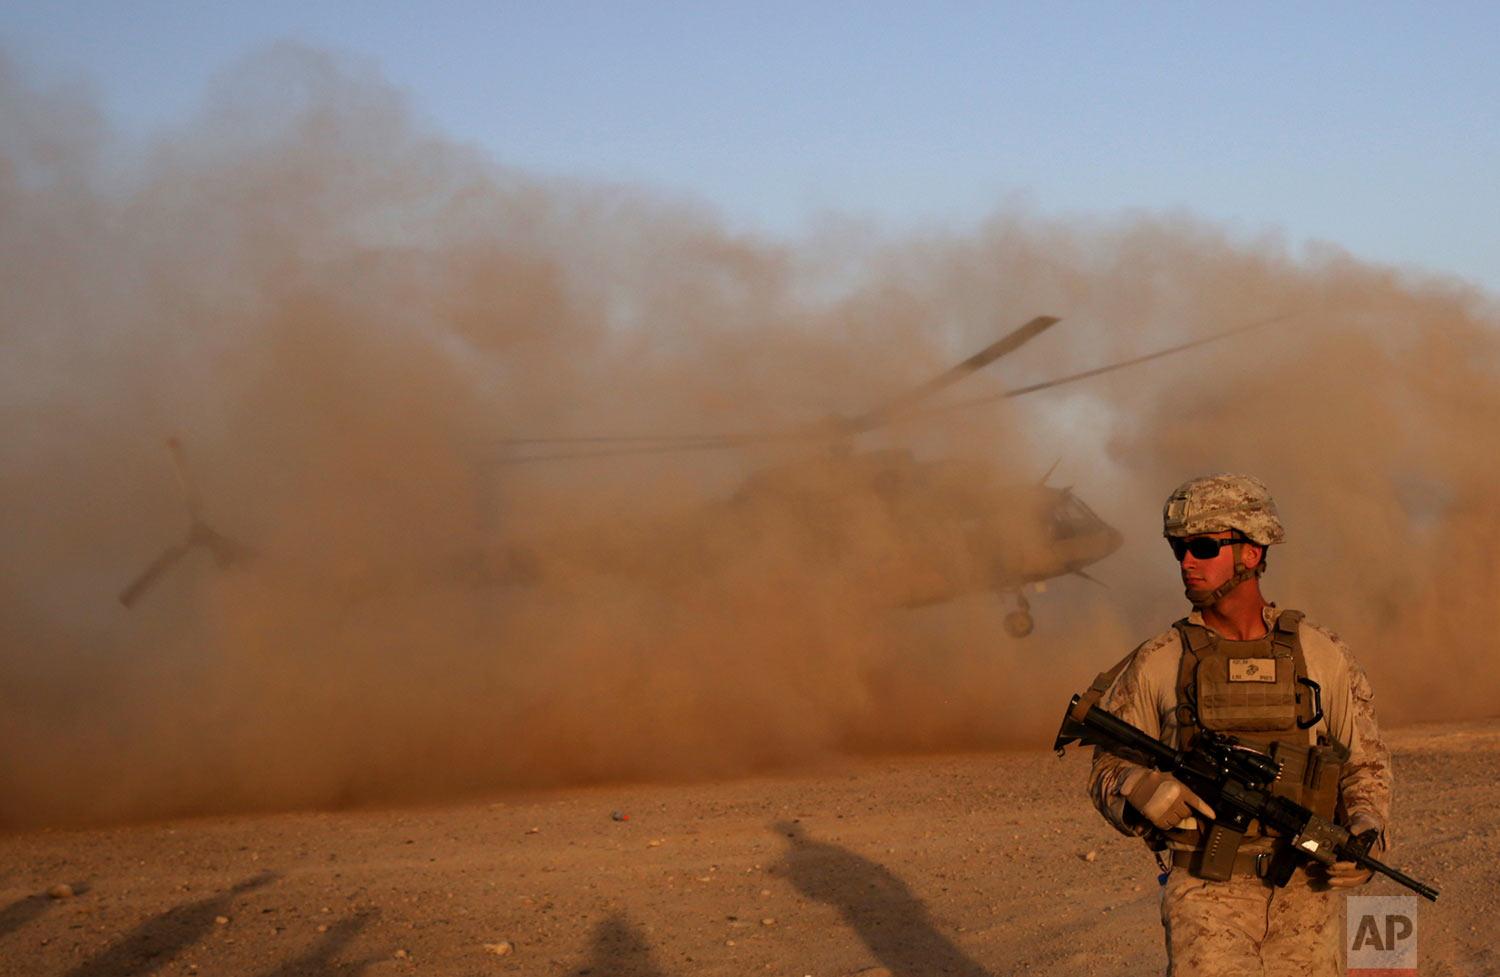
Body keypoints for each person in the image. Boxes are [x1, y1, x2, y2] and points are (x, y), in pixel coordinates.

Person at [1084, 474, 1392, 977]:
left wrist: (1365, 830)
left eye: (1203, 547)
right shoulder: (1160, 661)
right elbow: (1106, 768)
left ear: (1251, 553)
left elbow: (1365, 764)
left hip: (1308, 894)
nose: (1187, 561)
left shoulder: (1320, 654)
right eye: (1178, 548)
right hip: (1205, 900)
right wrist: (1138, 787)